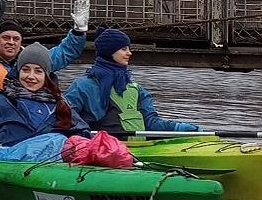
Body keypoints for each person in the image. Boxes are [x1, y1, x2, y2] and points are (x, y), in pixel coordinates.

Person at [64, 29, 201, 138]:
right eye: (124, 49)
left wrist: (179, 127)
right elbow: (65, 115)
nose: (129, 53)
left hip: (138, 147)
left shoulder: (136, 89)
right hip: (100, 147)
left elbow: (151, 123)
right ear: (109, 52)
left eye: (129, 48)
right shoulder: (83, 86)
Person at [0, 0, 90, 98]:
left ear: (21, 42)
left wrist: (78, 31)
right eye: (6, 38)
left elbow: (65, 52)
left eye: (16, 39)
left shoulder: (36, 59)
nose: (11, 42)